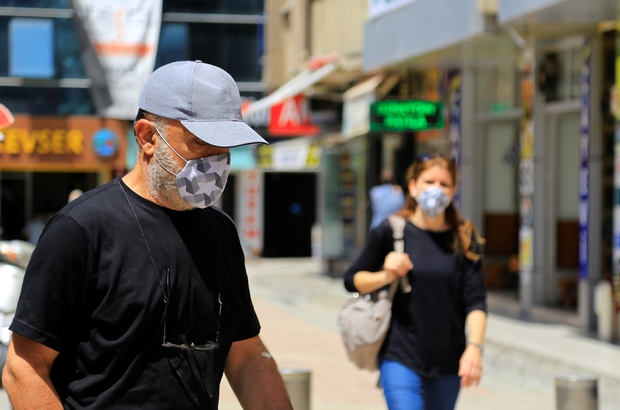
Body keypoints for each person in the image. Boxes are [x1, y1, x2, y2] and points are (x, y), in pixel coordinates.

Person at [2, 61, 293, 409]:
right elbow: (24, 367)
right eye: (202, 144)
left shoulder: (221, 233)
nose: (217, 162)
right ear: (147, 137)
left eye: (226, 149)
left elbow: (246, 355)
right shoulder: (79, 230)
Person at [344, 154, 487, 410]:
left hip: (448, 360)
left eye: (444, 184)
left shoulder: (465, 238)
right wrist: (386, 274)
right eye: (429, 181)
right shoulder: (391, 231)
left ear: (454, 190)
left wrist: (474, 348)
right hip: (400, 356)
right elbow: (352, 280)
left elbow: (475, 301)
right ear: (413, 186)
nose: (436, 189)